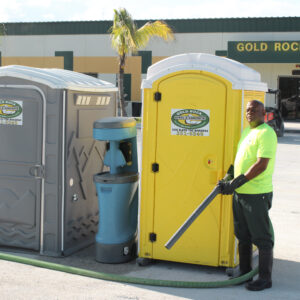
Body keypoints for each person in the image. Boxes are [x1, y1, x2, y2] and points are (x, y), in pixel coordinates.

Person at [218, 100, 277, 291]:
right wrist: (230, 175)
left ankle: (265, 278)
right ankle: (244, 273)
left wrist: (236, 182)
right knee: (242, 235)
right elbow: (241, 160)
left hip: (256, 194)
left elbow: (261, 165)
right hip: (240, 194)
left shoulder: (266, 133)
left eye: (254, 110)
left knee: (262, 237)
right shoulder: (247, 132)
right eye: (248, 110)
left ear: (263, 112)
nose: (250, 113)